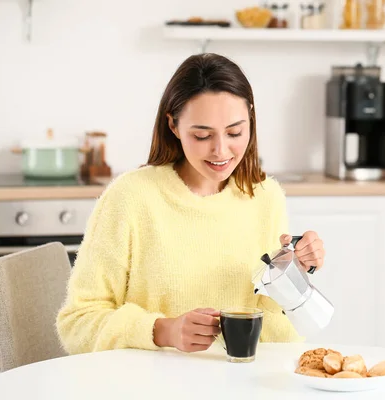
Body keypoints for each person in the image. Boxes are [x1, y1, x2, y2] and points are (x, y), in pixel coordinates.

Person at [55, 53, 327, 354]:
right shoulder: (130, 197)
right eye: (202, 135)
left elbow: (276, 334)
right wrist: (161, 331)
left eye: (235, 132)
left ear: (251, 117)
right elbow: (77, 324)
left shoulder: (265, 197)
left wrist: (293, 275)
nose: (221, 150)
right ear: (173, 125)